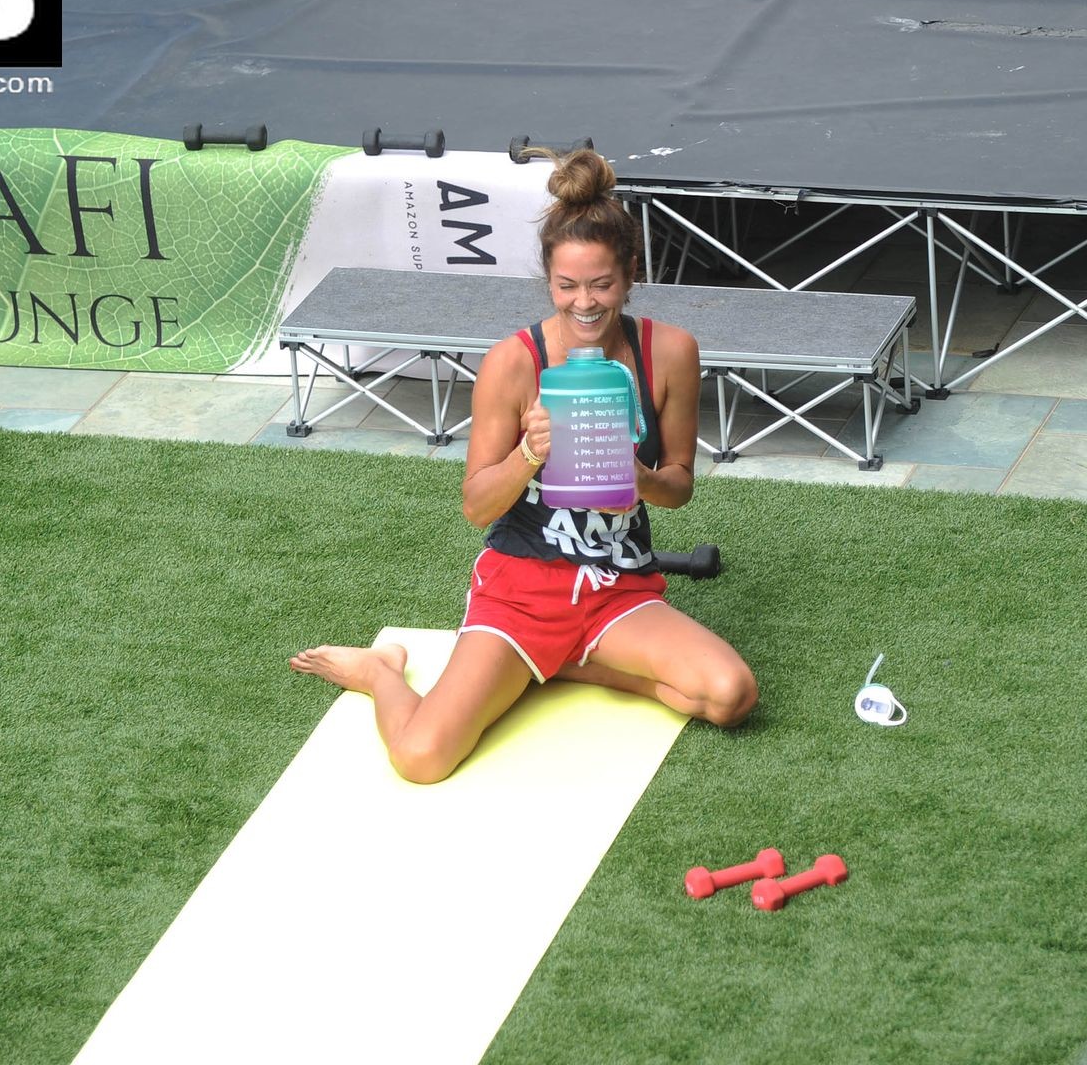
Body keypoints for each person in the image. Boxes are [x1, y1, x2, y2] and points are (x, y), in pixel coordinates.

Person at [290, 149, 758, 783]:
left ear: (630, 275)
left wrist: (639, 478)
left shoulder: (670, 352)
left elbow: (678, 487)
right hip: (521, 591)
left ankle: (564, 663)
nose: (584, 303)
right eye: (567, 286)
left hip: (617, 585)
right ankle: (380, 673)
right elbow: (476, 506)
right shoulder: (513, 362)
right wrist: (529, 453)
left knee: (731, 696)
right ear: (548, 281)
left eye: (601, 284)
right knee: (421, 758)